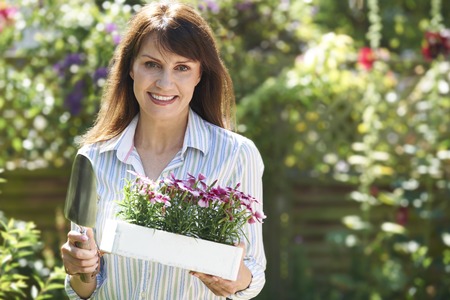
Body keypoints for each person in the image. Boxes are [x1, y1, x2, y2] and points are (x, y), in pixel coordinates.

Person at [60, 1, 266, 299]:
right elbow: (84, 289)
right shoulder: (93, 158)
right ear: (131, 68)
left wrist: (235, 279)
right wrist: (81, 268)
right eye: (152, 64)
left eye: (182, 67)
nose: (165, 82)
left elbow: (253, 273)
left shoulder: (236, 155)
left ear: (199, 75)